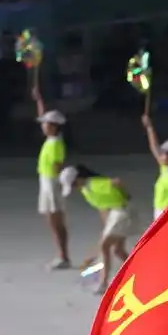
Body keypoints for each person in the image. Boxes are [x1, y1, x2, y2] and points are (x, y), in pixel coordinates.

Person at [60, 164, 133, 293]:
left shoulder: (93, 184)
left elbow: (117, 182)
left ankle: (103, 283)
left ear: (79, 178)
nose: (75, 188)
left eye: (74, 184)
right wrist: (107, 228)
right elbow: (102, 207)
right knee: (117, 250)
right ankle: (138, 269)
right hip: (115, 214)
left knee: (105, 245)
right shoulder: (85, 190)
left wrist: (126, 195)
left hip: (123, 211)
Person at [30, 86, 71, 269]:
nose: (43, 126)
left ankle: (63, 256)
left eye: (46, 124)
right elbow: (42, 117)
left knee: (56, 221)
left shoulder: (55, 144)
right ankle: (61, 255)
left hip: (52, 183)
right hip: (45, 182)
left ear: (53, 126)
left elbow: (58, 167)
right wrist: (39, 99)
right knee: (51, 220)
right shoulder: (52, 138)